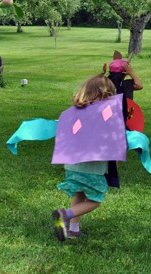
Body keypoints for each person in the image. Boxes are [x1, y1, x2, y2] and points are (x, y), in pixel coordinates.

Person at [52, 74, 119, 241]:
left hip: (72, 166)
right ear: (107, 94)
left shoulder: (73, 112)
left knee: (79, 195)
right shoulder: (105, 115)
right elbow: (111, 139)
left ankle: (73, 230)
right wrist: (115, 157)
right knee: (95, 200)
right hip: (92, 168)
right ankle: (65, 215)